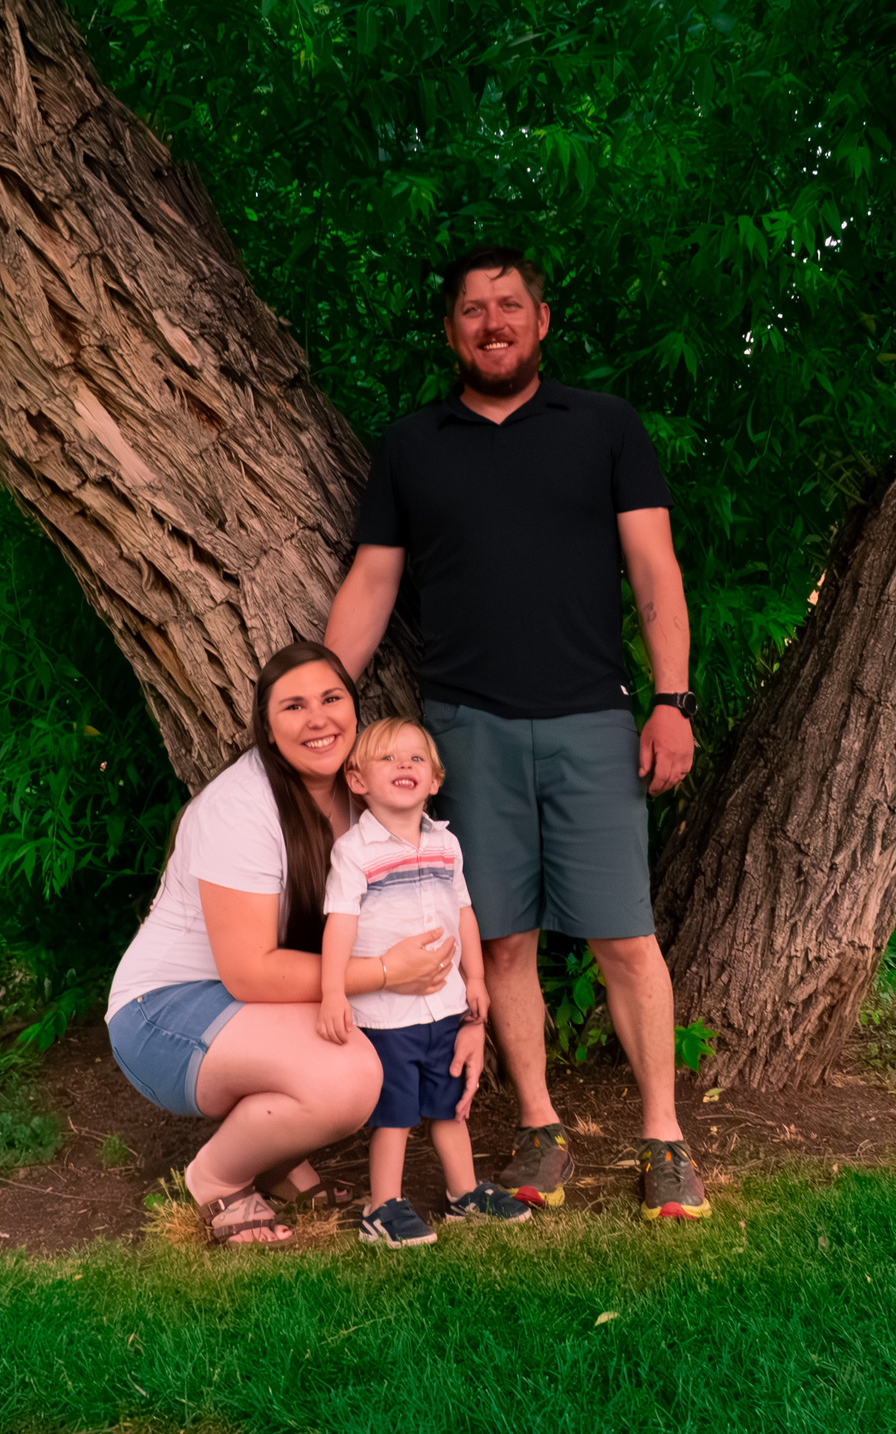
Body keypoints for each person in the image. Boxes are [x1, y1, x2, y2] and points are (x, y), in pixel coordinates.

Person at [324, 246, 711, 1221]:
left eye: (507, 305)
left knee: (623, 939)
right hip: (466, 729)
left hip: (591, 719)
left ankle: (662, 1136)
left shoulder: (603, 427)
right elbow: (373, 582)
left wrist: (672, 702)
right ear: (451, 331)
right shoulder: (414, 444)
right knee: (499, 943)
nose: (490, 322)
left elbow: (656, 575)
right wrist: (325, 703)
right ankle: (539, 1127)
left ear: (540, 320)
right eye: (470, 310)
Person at [105, 641, 484, 1246]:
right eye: (293, 706)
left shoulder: (362, 794)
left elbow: (433, 901)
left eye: (332, 698)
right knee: (352, 1076)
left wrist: (464, 1013)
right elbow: (250, 975)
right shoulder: (239, 808)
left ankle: (275, 1159)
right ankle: (218, 1178)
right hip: (163, 1013)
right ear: (267, 726)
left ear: (353, 708)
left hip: (253, 1005)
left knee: (363, 1053)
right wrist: (386, 972)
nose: (318, 719)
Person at [317, 716, 532, 1246]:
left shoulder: (445, 845)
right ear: (357, 780)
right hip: (387, 1016)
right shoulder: (355, 853)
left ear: (435, 781)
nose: (404, 766)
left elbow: (463, 910)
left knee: (449, 1105)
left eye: (416, 758)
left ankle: (464, 1194)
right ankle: (382, 1207)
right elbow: (339, 925)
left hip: (444, 1006)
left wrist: (475, 977)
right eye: (387, 758)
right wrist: (332, 991)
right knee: (394, 1115)